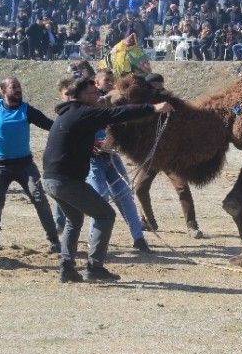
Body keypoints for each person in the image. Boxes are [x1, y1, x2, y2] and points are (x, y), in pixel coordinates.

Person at [43, 77, 173, 283]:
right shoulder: (84, 112)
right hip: (67, 182)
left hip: (51, 180)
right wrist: (153, 108)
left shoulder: (68, 114)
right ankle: (94, 267)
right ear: (83, 96)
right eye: (94, 93)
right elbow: (117, 114)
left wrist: (90, 143)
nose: (99, 96)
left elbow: (71, 138)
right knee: (105, 215)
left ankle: (66, 268)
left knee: (74, 220)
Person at [0, 77, 60, 252]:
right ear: (3, 91)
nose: (18, 90)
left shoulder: (26, 110)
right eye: (13, 87)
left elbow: (49, 125)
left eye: (19, 86)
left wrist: (68, 129)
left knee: (39, 198)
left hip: (25, 165)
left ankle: (54, 240)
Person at [86, 69, 158, 252]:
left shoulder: (114, 101)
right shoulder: (88, 106)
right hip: (92, 159)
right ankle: (92, 241)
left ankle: (139, 238)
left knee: (125, 195)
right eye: (106, 80)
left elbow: (127, 113)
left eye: (112, 80)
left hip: (111, 157)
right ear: (96, 83)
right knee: (99, 198)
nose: (110, 83)